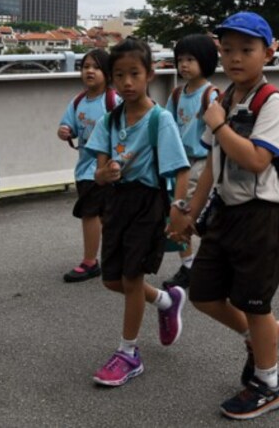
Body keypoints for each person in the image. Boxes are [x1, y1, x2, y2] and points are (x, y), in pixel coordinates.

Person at [174, 12, 279, 420]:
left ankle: (269, 383)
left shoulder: (271, 101)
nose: (235, 58)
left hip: (261, 214)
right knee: (204, 294)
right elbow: (212, 161)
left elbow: (258, 160)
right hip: (225, 210)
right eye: (228, 50)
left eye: (247, 49)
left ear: (269, 53)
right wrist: (190, 208)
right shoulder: (225, 98)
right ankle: (263, 338)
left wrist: (221, 126)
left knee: (256, 302)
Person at [84, 36, 190, 387]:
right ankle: (165, 299)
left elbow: (181, 168)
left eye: (134, 74)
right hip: (117, 202)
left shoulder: (161, 120)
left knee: (131, 279)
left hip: (148, 202)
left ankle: (128, 353)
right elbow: (98, 173)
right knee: (112, 279)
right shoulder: (110, 121)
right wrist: (105, 173)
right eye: (119, 75)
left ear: (150, 74)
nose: (127, 83)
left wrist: (178, 208)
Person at [161, 33, 220, 289]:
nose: (183, 65)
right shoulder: (177, 94)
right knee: (180, 213)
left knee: (188, 214)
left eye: (190, 59)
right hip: (180, 164)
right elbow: (167, 126)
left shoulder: (211, 95)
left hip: (201, 162)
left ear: (205, 61)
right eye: (180, 59)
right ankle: (190, 264)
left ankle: (197, 264)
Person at [57, 49, 120, 283]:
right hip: (85, 168)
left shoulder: (113, 100)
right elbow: (67, 126)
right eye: (85, 67)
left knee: (90, 213)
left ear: (107, 72)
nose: (89, 71)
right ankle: (109, 256)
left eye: (95, 67)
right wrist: (65, 132)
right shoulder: (78, 101)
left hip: (107, 168)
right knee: (102, 215)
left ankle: (90, 261)